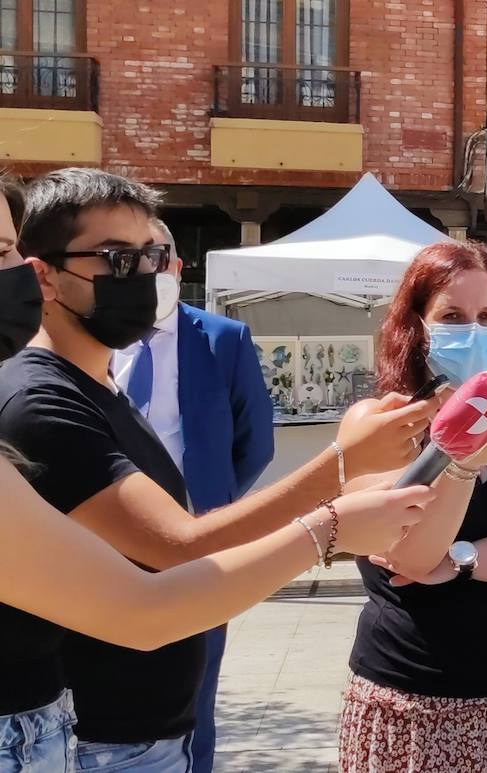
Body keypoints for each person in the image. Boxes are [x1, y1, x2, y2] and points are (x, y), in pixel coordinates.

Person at [0, 168, 440, 772]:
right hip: (103, 740)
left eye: (154, 255)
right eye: (117, 260)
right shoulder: (38, 399)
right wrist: (338, 485)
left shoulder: (98, 381)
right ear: (43, 274)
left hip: (147, 730)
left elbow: (231, 468)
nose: (146, 276)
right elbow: (175, 551)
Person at [338, 241, 487, 773]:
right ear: (416, 325)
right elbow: (409, 555)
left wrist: (460, 560)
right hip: (411, 700)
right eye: (452, 316)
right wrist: (461, 464)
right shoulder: (378, 422)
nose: (473, 330)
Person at [110, 219, 274, 773]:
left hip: (198, 544)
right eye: (131, 260)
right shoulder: (97, 342)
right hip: (104, 541)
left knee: (195, 686)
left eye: (159, 256)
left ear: (180, 267)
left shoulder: (224, 340)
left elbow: (255, 443)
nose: (148, 270)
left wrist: (215, 510)